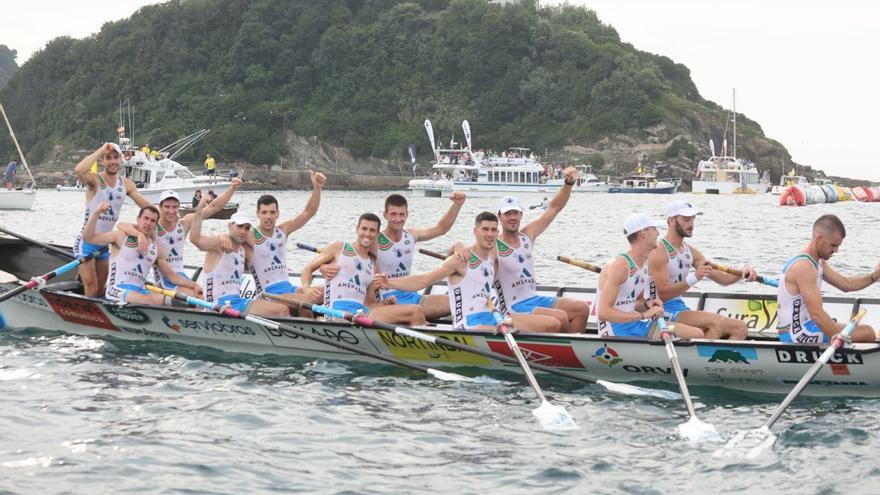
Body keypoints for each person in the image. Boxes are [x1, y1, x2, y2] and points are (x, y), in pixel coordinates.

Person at [377, 212, 562, 333]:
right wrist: (390, 283)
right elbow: (423, 280)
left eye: (493, 230)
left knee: (552, 324)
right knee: (506, 330)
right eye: (485, 230)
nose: (489, 234)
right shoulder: (460, 260)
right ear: (475, 231)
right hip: (469, 324)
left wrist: (455, 244)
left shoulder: (492, 257)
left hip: (490, 316)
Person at [321, 193, 467, 320]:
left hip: (412, 295)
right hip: (388, 298)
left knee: (460, 302)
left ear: (407, 214)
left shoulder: (411, 235)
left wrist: (457, 207)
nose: (398, 219)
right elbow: (351, 255)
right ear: (385, 215)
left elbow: (441, 229)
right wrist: (323, 267)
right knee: (418, 312)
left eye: (401, 214)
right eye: (393, 214)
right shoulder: (375, 239)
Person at [494, 167, 589, 333]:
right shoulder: (493, 246)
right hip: (512, 306)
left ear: (521, 215)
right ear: (499, 217)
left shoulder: (527, 235)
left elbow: (554, 208)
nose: (512, 218)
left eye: (515, 213)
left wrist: (568, 183)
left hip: (532, 298)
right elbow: (470, 255)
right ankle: (560, 353)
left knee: (581, 308)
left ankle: (573, 352)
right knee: (559, 318)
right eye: (508, 214)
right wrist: (456, 248)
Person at [647, 201, 757, 340]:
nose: (691, 224)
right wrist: (694, 278)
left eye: (693, 219)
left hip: (679, 308)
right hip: (662, 310)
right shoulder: (659, 251)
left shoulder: (690, 252)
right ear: (671, 221)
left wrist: (741, 272)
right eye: (686, 219)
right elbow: (663, 294)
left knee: (740, 328)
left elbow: (722, 279)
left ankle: (712, 359)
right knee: (715, 324)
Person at [301, 213, 426, 325]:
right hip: (337, 312)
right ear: (357, 229)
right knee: (415, 311)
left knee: (416, 311)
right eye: (364, 229)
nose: (367, 233)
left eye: (372, 230)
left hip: (361, 312)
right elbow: (307, 269)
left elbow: (370, 303)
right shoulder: (339, 248)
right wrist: (306, 287)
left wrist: (384, 303)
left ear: (377, 234)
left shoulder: (372, 265)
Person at [117, 178, 241, 290]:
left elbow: (214, 207)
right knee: (194, 296)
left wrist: (232, 188)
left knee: (199, 295)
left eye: (174, 207)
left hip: (180, 276)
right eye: (167, 207)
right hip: (165, 278)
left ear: (179, 207)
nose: (171, 211)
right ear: (160, 207)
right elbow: (122, 225)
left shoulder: (185, 223)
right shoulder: (154, 226)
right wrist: (140, 235)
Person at [596, 213, 704, 339]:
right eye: (654, 229)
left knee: (697, 334)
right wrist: (644, 315)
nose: (658, 233)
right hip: (614, 331)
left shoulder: (645, 263)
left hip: (636, 325)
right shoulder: (620, 266)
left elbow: (635, 303)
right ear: (644, 234)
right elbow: (603, 313)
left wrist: (648, 304)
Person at [777, 214, 880, 343]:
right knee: (867, 333)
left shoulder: (818, 262)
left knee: (865, 331)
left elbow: (847, 284)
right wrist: (839, 338)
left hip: (809, 326)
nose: (836, 250)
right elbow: (816, 314)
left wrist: (874, 276)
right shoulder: (804, 267)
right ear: (819, 239)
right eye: (833, 245)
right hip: (796, 334)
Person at [73, 143, 152, 297]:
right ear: (102, 161)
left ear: (121, 160)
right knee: (92, 290)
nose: (112, 162)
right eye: (108, 158)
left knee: (101, 291)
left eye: (116, 158)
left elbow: (146, 206)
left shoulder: (127, 184)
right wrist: (101, 150)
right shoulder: (95, 180)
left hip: (103, 245)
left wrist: (162, 214)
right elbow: (79, 170)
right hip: (86, 243)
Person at [83, 202, 201, 304]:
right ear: (138, 219)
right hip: (117, 291)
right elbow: (89, 238)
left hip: (139, 291)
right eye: (146, 218)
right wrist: (97, 212)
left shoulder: (157, 250)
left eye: (153, 221)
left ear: (155, 225)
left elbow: (173, 277)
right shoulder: (120, 237)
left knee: (180, 297)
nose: (148, 223)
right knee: (153, 299)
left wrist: (194, 285)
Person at [189, 210, 288, 316]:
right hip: (217, 305)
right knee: (282, 310)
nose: (243, 231)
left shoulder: (242, 251)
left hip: (235, 302)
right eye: (239, 226)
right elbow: (195, 239)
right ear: (230, 226)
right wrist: (199, 211)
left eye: (246, 228)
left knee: (284, 308)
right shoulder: (217, 244)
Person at [248, 170, 326, 300]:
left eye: (272, 212)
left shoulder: (283, 230)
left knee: (325, 291)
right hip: (268, 294)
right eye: (264, 212)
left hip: (288, 288)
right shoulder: (250, 235)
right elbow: (231, 236)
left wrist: (317, 188)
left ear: (278, 213)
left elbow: (309, 212)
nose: (268, 217)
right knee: (305, 300)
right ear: (258, 214)